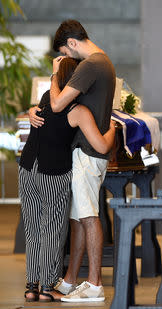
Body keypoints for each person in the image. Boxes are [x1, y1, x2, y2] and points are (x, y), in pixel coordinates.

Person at [28, 19, 116, 302]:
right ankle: (70, 281)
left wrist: (55, 75)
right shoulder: (103, 63)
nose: (67, 59)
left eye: (66, 52)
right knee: (79, 217)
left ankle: (94, 284)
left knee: (89, 216)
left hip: (90, 152)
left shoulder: (92, 64)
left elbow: (56, 104)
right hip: (88, 150)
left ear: (73, 43)